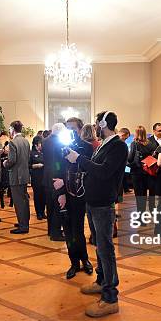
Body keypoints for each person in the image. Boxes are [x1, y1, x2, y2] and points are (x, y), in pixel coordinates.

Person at [65, 111, 128, 318]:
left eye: (97, 122)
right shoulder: (104, 143)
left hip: (103, 203)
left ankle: (111, 298)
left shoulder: (117, 145)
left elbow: (103, 172)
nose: (94, 126)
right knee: (99, 246)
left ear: (103, 124)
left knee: (106, 249)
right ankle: (102, 282)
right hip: (93, 202)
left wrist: (79, 159)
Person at [61, 117, 94, 279]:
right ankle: (74, 262)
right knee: (68, 230)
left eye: (73, 129)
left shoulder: (87, 147)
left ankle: (85, 259)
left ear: (80, 130)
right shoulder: (60, 146)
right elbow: (56, 169)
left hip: (79, 193)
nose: (71, 132)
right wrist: (59, 193)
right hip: (63, 194)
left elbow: (89, 169)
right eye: (68, 129)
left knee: (78, 229)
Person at [4, 121, 31, 234]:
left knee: (19, 202)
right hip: (25, 175)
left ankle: (23, 226)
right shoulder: (26, 141)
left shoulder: (13, 143)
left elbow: (11, 161)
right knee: (24, 201)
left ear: (12, 129)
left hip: (16, 176)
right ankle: (24, 222)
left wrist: (5, 163)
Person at [42, 123, 67, 241]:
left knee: (50, 205)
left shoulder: (45, 140)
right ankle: (55, 232)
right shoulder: (58, 142)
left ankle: (50, 230)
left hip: (46, 176)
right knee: (57, 205)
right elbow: (58, 161)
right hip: (56, 176)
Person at [127, 125, 157, 218]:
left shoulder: (134, 144)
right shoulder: (151, 144)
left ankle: (141, 216)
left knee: (140, 195)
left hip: (137, 172)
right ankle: (151, 211)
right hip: (148, 171)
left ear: (136, 133)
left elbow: (130, 158)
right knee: (147, 193)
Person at [30, 135, 46, 220]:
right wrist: (35, 166)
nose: (42, 145)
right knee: (37, 196)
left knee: (44, 195)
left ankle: (43, 212)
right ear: (36, 144)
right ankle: (38, 212)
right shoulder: (31, 153)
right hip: (36, 178)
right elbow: (28, 166)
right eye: (40, 143)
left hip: (44, 177)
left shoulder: (44, 152)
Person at [0, 130, 13, 209]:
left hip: (9, 170)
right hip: (2, 171)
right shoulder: (1, 149)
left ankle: (11, 203)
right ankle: (2, 203)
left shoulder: (11, 150)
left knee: (10, 187)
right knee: (2, 187)